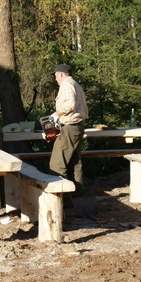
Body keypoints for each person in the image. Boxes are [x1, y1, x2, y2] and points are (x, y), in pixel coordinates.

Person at [48, 64, 88, 196]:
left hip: (69, 128)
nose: (55, 79)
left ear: (60, 74)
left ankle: (59, 197)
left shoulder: (66, 85)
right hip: (77, 127)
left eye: (55, 76)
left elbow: (70, 104)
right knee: (74, 163)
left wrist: (57, 114)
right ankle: (78, 194)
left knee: (57, 164)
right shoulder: (76, 85)